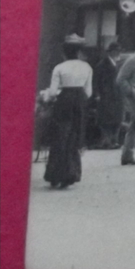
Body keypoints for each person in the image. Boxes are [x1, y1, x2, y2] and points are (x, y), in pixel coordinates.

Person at [44, 34, 93, 188]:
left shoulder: (59, 68)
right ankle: (70, 174)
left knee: (59, 136)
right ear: (78, 52)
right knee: (74, 135)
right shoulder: (86, 67)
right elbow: (89, 91)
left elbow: (52, 92)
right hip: (79, 101)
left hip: (64, 101)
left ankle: (55, 174)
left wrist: (49, 98)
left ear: (64, 52)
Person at [92, 41, 122, 148]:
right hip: (106, 96)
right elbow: (95, 81)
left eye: (118, 51)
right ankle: (107, 141)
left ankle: (114, 140)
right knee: (106, 119)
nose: (118, 53)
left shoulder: (117, 64)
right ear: (111, 52)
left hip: (116, 96)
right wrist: (97, 94)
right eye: (116, 51)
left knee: (116, 118)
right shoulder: (102, 65)